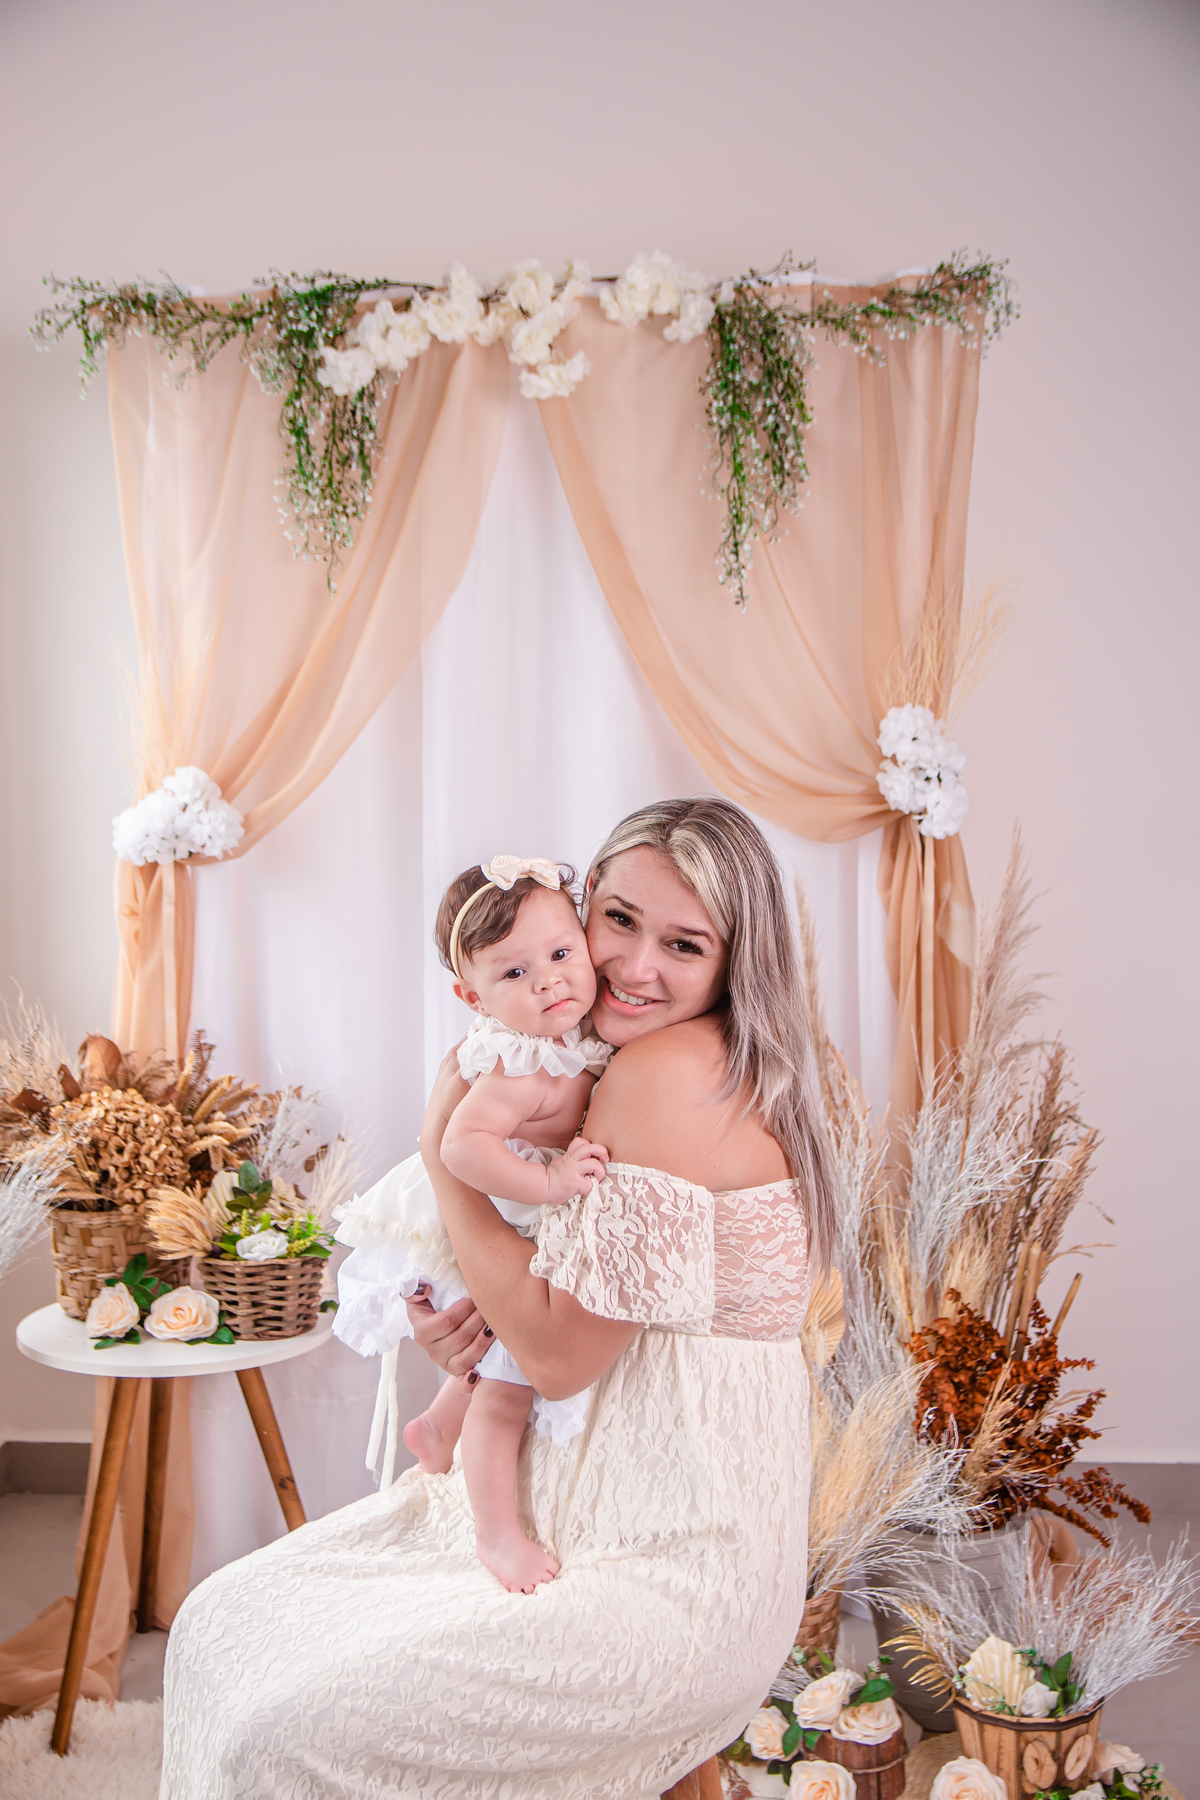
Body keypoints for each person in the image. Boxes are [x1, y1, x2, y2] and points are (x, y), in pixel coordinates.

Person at [159, 797, 834, 1800]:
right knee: (222, 1622)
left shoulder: (664, 1075)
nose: (631, 966)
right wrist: (472, 1337)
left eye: (684, 944)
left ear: (739, 963)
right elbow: (561, 1312)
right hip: (567, 1491)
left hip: (665, 1557)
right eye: (617, 921)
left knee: (280, 1730)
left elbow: (556, 1358)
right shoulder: (603, 1060)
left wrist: (444, 1164)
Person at [333, 853, 613, 1592]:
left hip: (504, 1218)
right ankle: (497, 1535)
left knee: (493, 1356)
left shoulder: (570, 1041)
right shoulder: (523, 1064)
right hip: (482, 1217)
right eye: (514, 972)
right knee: (509, 1388)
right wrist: (549, 1179)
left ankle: (435, 1426)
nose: (548, 980)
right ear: (473, 996)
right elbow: (459, 1146)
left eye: (561, 954)